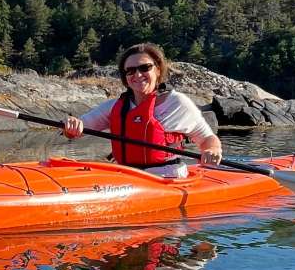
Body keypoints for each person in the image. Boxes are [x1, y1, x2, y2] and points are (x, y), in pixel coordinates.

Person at [62, 42, 222, 178]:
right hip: (126, 176)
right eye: (130, 71)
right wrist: (72, 126)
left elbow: (208, 138)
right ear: (125, 77)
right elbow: (79, 128)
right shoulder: (115, 107)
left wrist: (212, 150)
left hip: (167, 178)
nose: (137, 75)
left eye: (145, 68)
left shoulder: (177, 103)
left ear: (158, 70)